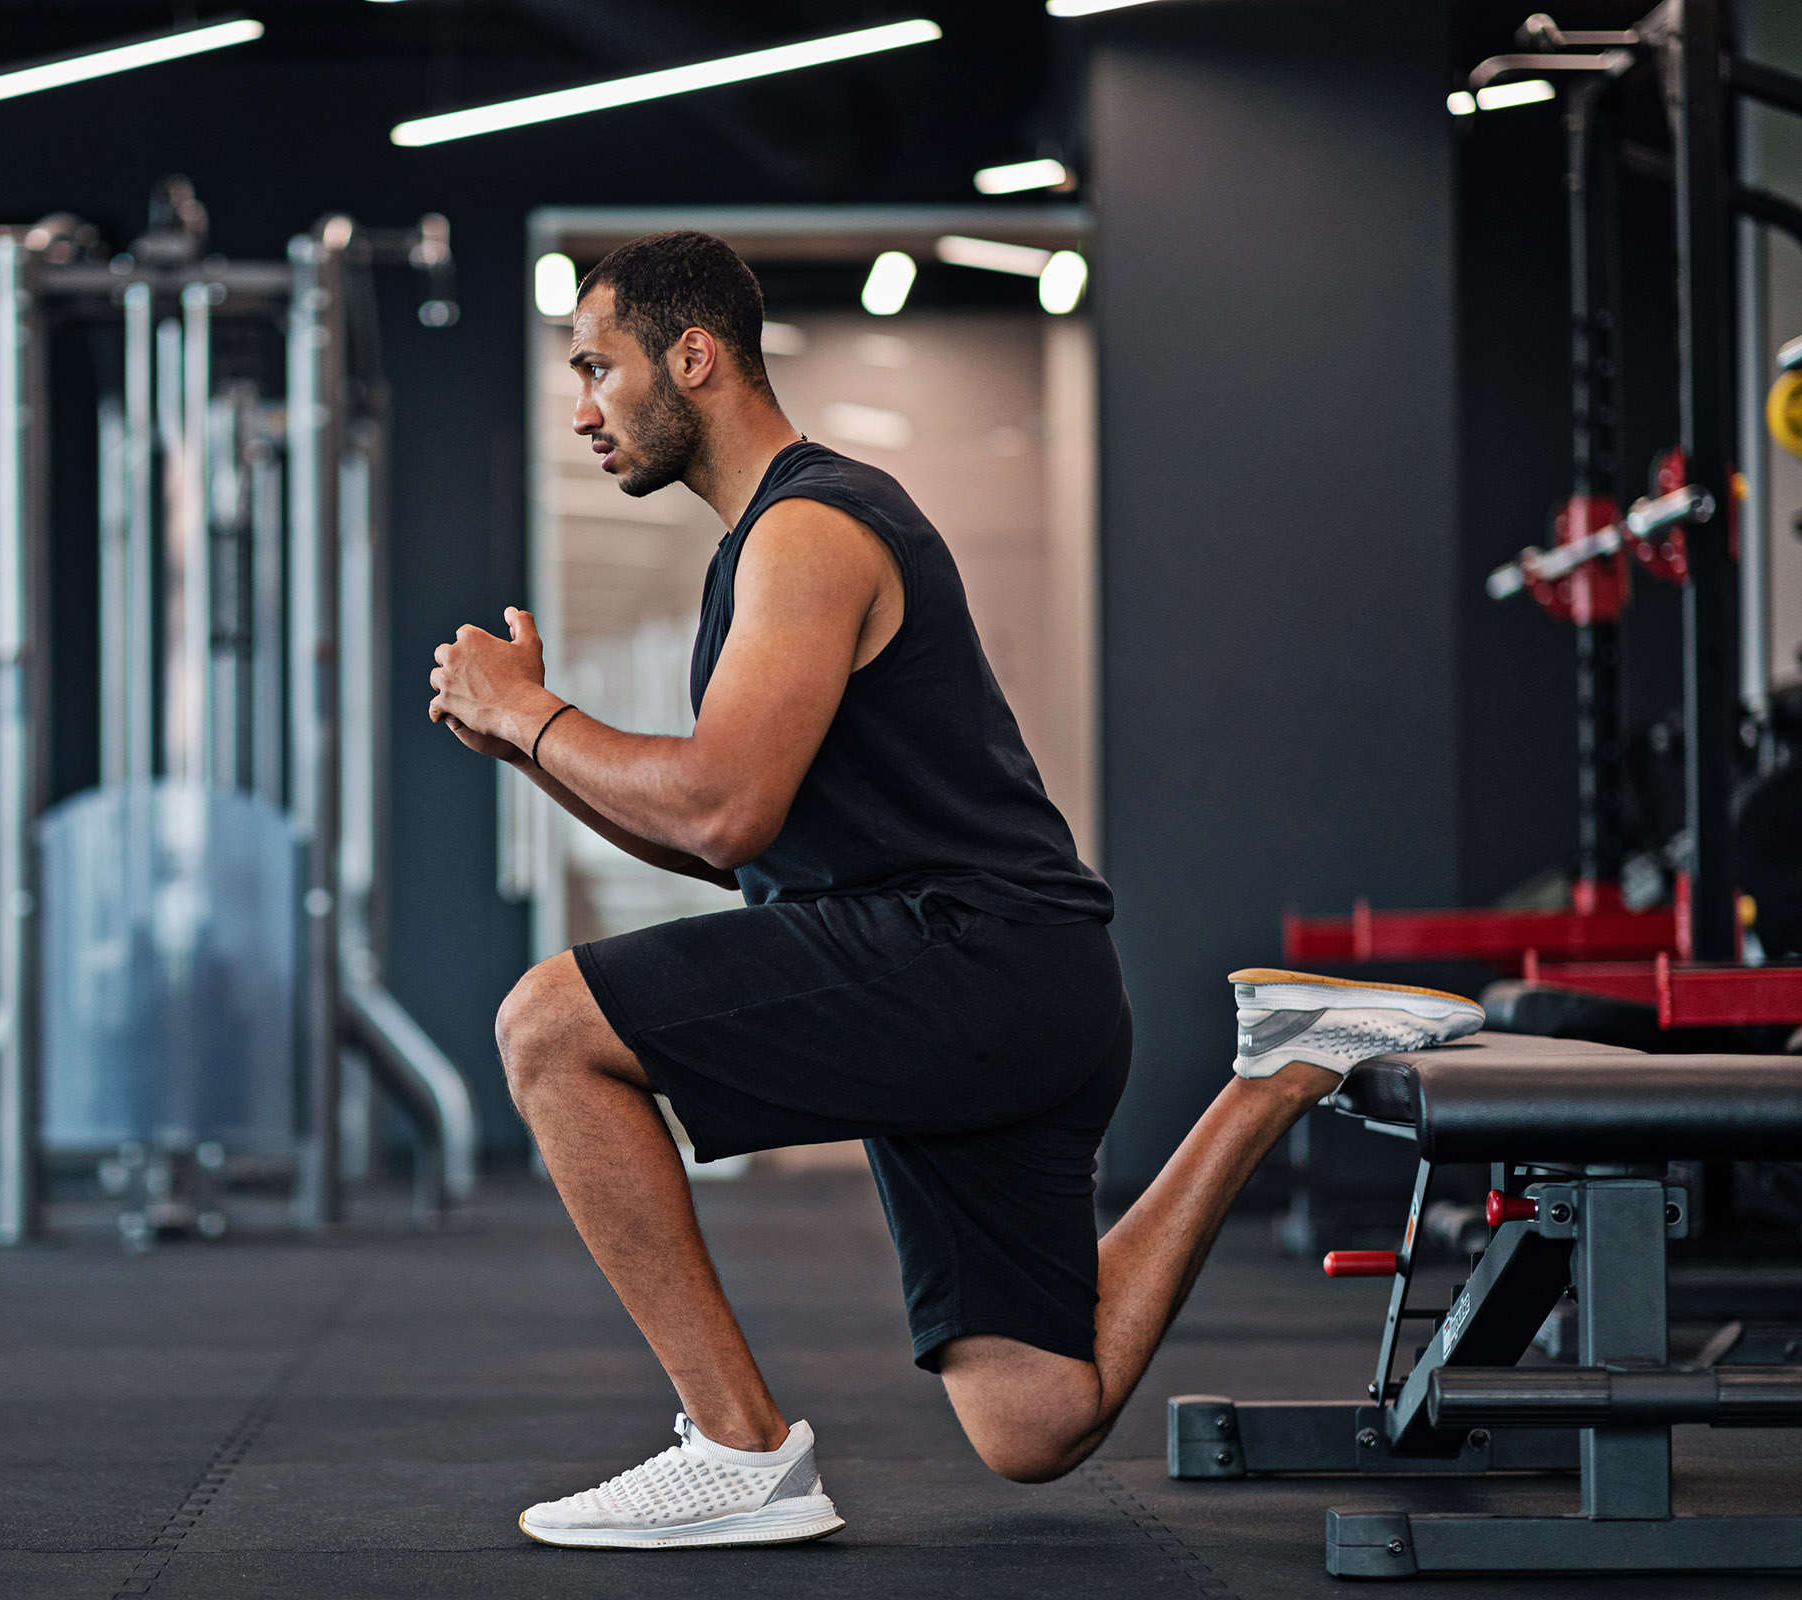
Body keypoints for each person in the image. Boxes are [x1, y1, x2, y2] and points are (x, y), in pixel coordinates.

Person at [426, 230, 1484, 1550]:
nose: (582, 407)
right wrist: (523, 743)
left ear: (692, 357)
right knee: (1037, 1419)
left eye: (598, 367)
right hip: (1013, 982)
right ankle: (1278, 1073)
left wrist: (534, 718)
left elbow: (716, 803)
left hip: (963, 960)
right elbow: (722, 844)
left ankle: (739, 1449)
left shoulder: (808, 530)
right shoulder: (769, 541)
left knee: (548, 1025)